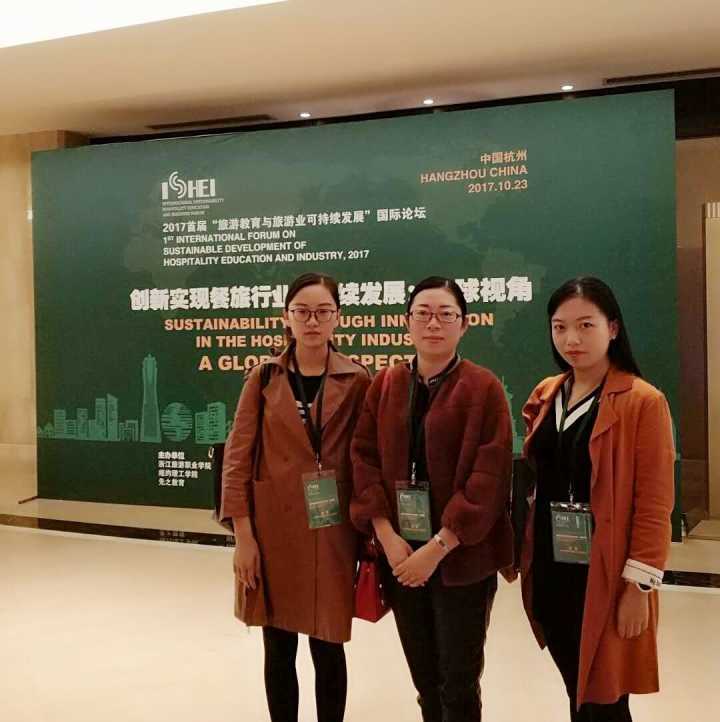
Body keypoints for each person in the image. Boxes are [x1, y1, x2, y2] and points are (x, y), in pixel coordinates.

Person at [350, 276, 513, 722]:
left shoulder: (483, 388)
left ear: (464, 324)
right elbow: (362, 458)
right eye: (422, 314)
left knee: (458, 682)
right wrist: (386, 536)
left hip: (462, 559)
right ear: (407, 322)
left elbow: (489, 478)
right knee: (424, 679)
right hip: (401, 555)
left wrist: (438, 547)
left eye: (446, 314)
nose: (433, 324)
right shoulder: (385, 384)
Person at [518, 276, 675, 721]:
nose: (571, 339)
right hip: (552, 567)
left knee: (604, 698)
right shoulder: (547, 393)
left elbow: (655, 505)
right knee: (578, 688)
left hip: (605, 574)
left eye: (586, 325)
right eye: (560, 327)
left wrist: (638, 587)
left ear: (613, 328)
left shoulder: (642, 401)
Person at [221, 272, 371, 722]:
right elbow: (237, 458)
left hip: (332, 531)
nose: (312, 321)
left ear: (338, 317)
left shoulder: (357, 379)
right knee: (279, 645)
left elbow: (367, 459)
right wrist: (243, 538)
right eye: (302, 312)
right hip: (273, 532)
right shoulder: (264, 377)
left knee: (329, 645)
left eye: (323, 312)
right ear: (286, 317)